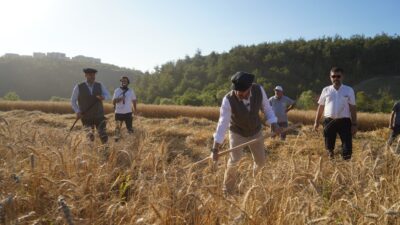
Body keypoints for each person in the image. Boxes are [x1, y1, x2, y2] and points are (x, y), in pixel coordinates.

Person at [211, 71, 280, 195]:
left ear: (250, 88)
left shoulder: (259, 90)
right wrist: (215, 148)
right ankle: (228, 190)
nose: (240, 94)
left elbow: (267, 108)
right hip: (237, 132)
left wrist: (274, 124)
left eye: (243, 92)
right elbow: (222, 124)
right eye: (238, 92)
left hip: (255, 131)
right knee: (234, 160)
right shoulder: (228, 100)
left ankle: (256, 185)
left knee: (261, 162)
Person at [313, 67, 357, 160]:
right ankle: (331, 163)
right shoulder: (326, 90)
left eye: (338, 76)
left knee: (347, 146)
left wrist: (354, 124)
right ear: (330, 77)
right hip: (329, 121)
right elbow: (321, 106)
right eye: (333, 76)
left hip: (344, 121)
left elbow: (353, 107)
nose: (336, 78)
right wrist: (316, 122)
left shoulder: (349, 90)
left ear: (342, 77)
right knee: (329, 146)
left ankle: (346, 165)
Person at [71, 68, 110, 144]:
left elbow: (108, 95)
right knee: (89, 138)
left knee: (103, 136)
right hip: (86, 116)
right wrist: (78, 111)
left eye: (93, 75)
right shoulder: (79, 87)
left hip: (99, 116)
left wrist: (103, 97)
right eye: (90, 75)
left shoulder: (100, 85)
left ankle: (106, 154)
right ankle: (91, 153)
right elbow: (73, 101)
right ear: (85, 75)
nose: (92, 76)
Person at [112, 76, 137, 140]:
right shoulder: (117, 90)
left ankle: (130, 142)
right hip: (118, 113)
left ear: (128, 82)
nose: (123, 82)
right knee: (117, 129)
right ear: (121, 82)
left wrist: (135, 110)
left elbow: (134, 101)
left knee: (130, 129)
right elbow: (113, 102)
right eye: (122, 81)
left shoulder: (131, 91)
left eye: (125, 81)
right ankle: (116, 143)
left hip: (128, 113)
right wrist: (120, 99)